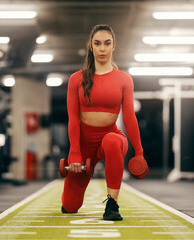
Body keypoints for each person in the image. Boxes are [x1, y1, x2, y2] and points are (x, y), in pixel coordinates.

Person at [61, 24, 146, 221]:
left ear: (113, 46)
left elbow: (129, 118)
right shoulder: (76, 79)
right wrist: (74, 152)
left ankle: (112, 204)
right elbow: (73, 118)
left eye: (107, 43)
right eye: (97, 43)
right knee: (69, 206)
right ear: (90, 46)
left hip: (111, 136)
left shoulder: (124, 80)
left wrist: (139, 152)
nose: (102, 48)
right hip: (83, 144)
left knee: (111, 141)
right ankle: (71, 199)